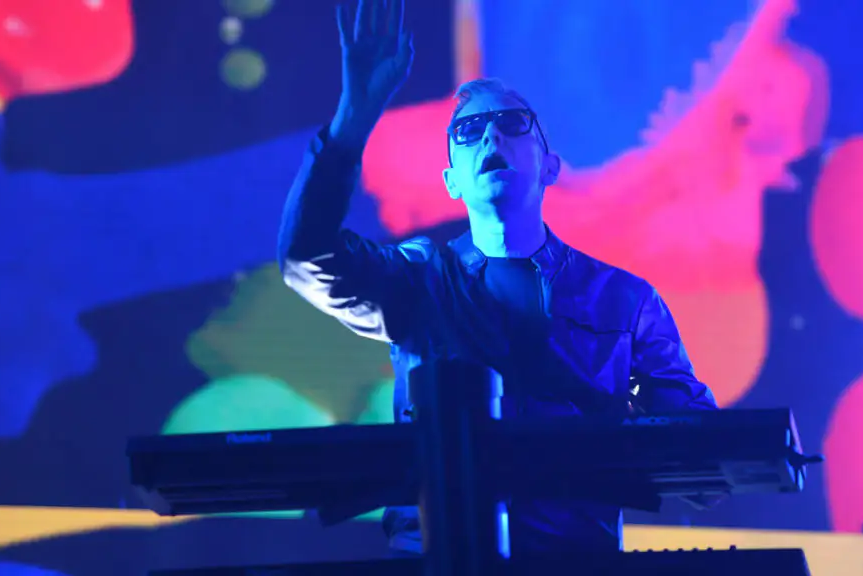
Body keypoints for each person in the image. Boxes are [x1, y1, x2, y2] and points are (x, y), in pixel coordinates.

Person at [278, 0, 718, 557]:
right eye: (469, 131)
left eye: (512, 124)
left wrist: (644, 430)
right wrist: (351, 120)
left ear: (550, 166)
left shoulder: (624, 301)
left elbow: (706, 466)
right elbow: (305, 258)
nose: (491, 139)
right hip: (439, 560)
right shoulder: (416, 281)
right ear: (451, 182)